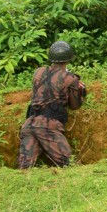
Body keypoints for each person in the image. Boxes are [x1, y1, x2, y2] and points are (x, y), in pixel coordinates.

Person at [17, 40, 88, 169]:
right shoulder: (70, 78)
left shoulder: (38, 72)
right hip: (47, 127)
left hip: (28, 124)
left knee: (24, 168)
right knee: (69, 164)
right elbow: (75, 105)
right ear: (69, 59)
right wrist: (80, 91)